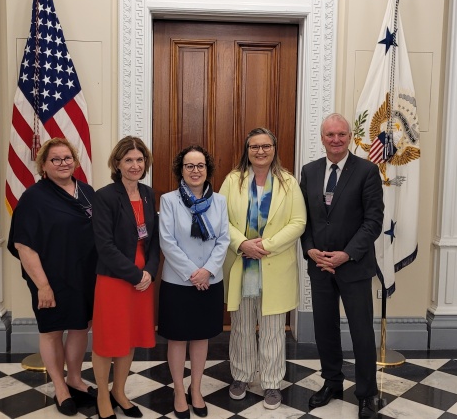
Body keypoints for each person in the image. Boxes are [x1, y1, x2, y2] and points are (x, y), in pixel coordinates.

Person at [299, 113, 384, 419]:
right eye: (330, 135)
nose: (335, 140)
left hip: (354, 266)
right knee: (325, 329)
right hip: (320, 266)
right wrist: (310, 250)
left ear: (350, 137)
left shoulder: (367, 171)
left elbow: (373, 221)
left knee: (361, 331)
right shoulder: (309, 171)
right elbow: (304, 219)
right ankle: (332, 382)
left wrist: (346, 254)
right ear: (322, 138)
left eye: (341, 135)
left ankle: (366, 393)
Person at [7, 137, 98, 417]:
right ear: (44, 165)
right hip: (51, 279)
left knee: (80, 327)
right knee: (52, 331)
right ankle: (59, 386)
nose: (63, 163)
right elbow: (24, 245)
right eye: (55, 159)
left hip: (85, 275)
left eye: (67, 158)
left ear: (75, 161)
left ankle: (74, 378)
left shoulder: (87, 191)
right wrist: (43, 286)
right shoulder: (34, 197)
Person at [219, 128, 307, 410]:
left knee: (272, 328)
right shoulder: (233, 181)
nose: (260, 151)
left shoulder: (288, 183)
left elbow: (298, 222)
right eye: (254, 146)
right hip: (241, 264)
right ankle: (242, 376)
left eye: (265, 146)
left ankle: (271, 383)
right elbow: (220, 219)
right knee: (242, 326)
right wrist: (243, 243)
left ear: (274, 148)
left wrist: (265, 245)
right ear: (247, 150)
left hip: (274, 265)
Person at [158, 145, 230, 419]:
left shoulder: (220, 202)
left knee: (201, 338)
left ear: (207, 169)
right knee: (177, 339)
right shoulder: (169, 200)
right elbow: (167, 241)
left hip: (210, 281)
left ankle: (196, 389)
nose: (195, 171)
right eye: (189, 166)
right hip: (178, 282)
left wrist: (207, 271)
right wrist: (192, 272)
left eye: (200, 165)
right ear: (181, 170)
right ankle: (179, 391)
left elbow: (223, 239)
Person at [92, 136, 159, 419]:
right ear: (117, 163)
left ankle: (119, 390)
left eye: (140, 159)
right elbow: (104, 246)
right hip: (115, 279)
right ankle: (102, 395)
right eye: (129, 160)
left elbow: (154, 241)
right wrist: (135, 274)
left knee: (129, 337)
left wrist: (150, 274)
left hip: (143, 280)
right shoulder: (105, 196)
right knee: (108, 340)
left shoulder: (148, 193)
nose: (135, 165)